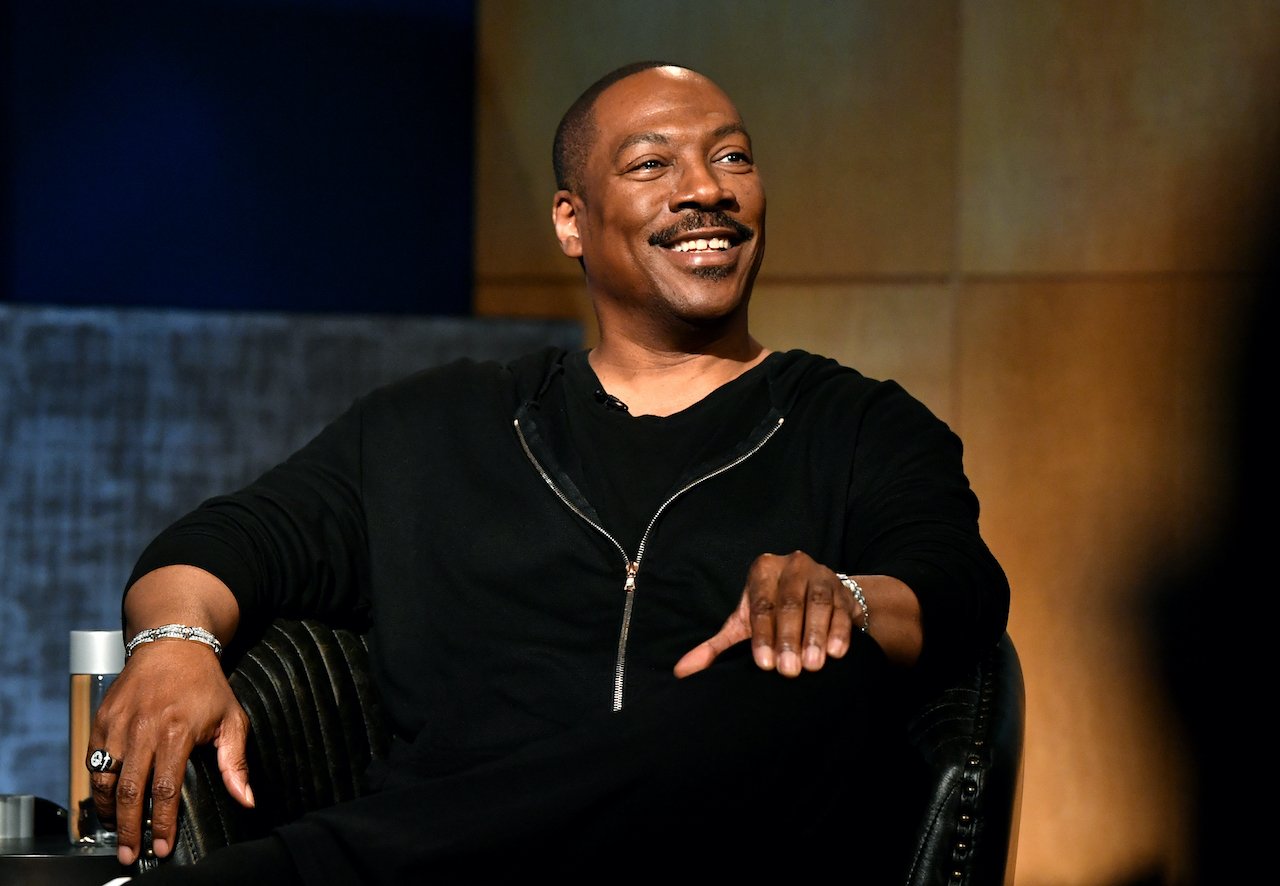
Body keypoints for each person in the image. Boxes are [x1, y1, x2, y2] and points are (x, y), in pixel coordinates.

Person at [88, 60, 1009, 883]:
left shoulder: (857, 425)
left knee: (806, 667)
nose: (707, 192)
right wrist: (174, 642)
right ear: (571, 220)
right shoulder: (437, 425)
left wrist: (843, 597)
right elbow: (229, 540)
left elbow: (959, 584)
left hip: (726, 855)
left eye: (733, 159)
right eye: (654, 165)